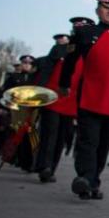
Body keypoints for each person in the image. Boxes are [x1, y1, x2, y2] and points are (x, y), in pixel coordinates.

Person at [60, 0, 109, 200]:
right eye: (106, 8)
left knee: (103, 144)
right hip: (89, 96)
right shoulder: (85, 33)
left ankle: (93, 181)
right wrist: (64, 84)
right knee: (88, 140)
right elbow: (70, 61)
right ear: (98, 10)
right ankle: (84, 177)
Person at [34, 32, 78, 183]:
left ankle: (52, 168)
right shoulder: (58, 50)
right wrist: (41, 93)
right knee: (50, 132)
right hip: (52, 97)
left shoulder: (87, 50)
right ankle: (44, 166)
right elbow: (46, 71)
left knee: (61, 137)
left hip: (71, 101)